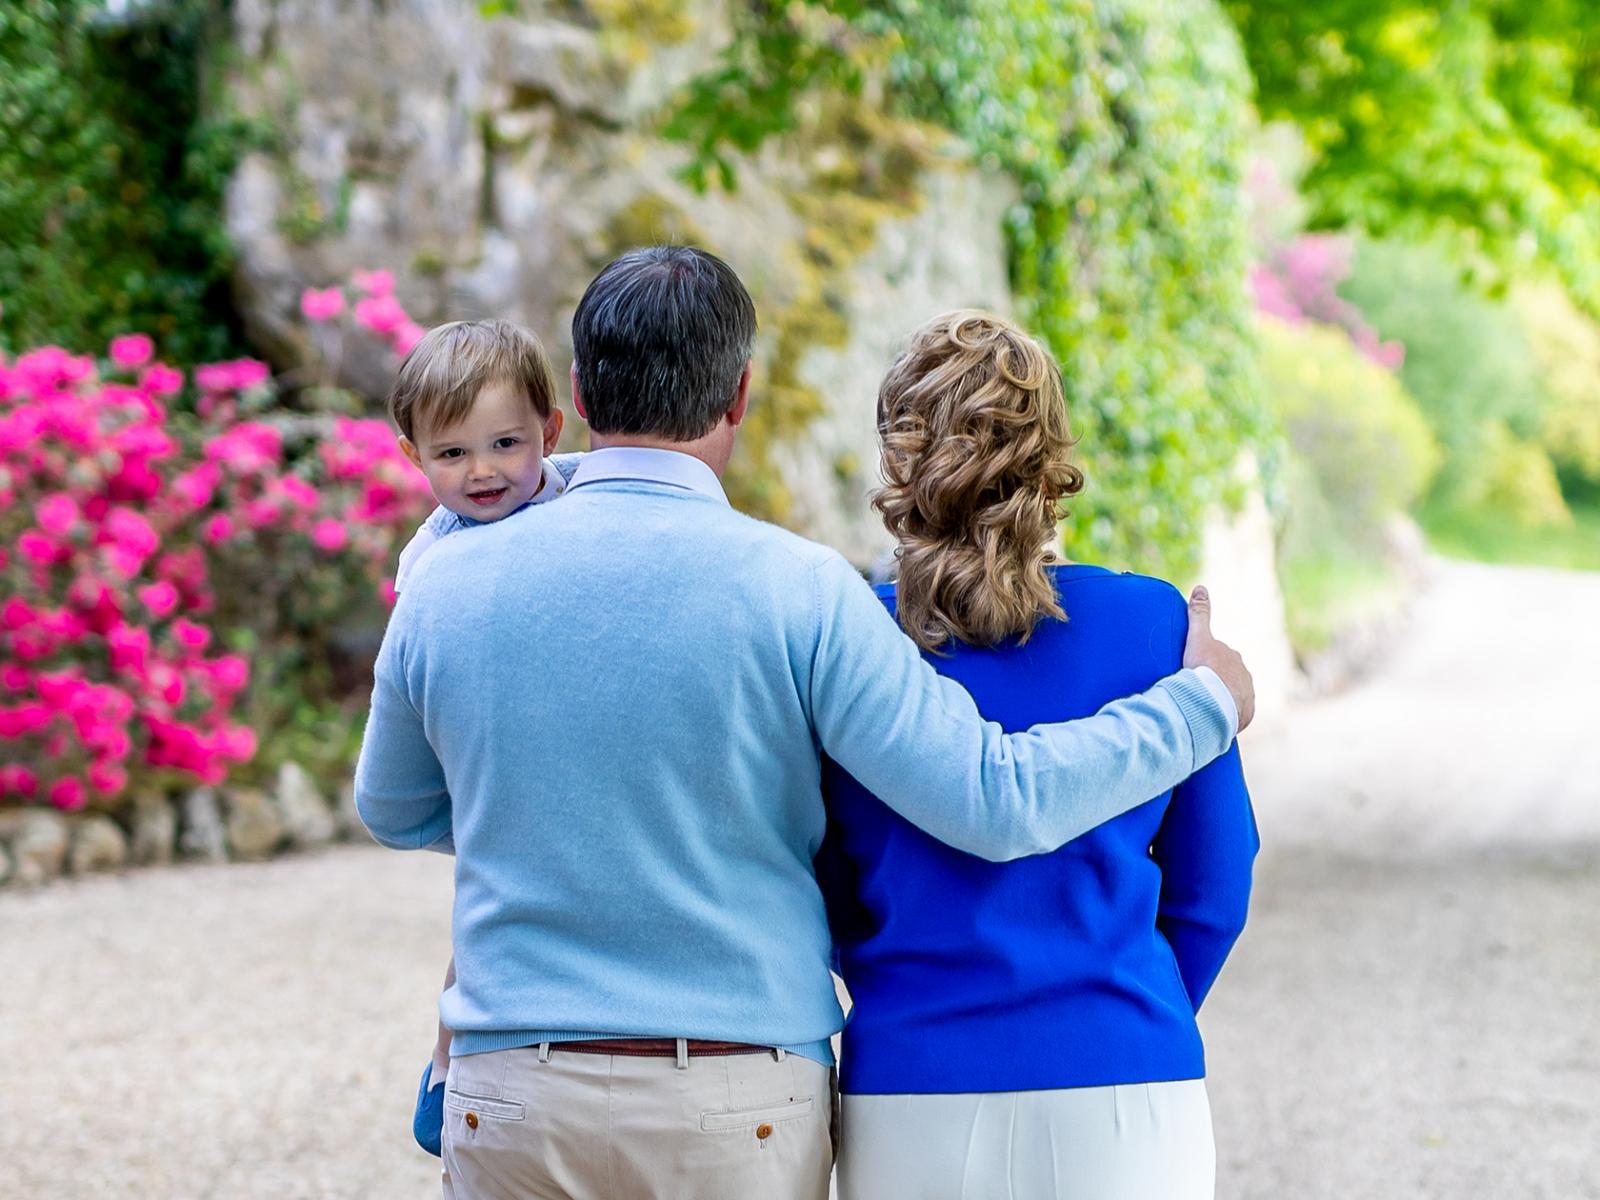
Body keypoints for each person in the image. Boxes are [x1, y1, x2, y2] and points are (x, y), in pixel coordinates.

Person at [354, 246, 1255, 1200]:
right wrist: (1204, 706)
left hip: (513, 1080)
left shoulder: (444, 583)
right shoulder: (804, 592)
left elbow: (396, 808)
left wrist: (556, 804)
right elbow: (999, 802)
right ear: (740, 393)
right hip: (735, 1086)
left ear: (574, 395)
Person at [820, 311, 1259, 1199]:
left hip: (914, 1078)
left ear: (901, 457)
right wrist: (1125, 1003)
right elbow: (1216, 880)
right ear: (1052, 455)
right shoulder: (1154, 622)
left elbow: (818, 876)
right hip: (1129, 1079)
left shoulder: (851, 638)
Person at [384, 318, 584, 1154]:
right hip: (502, 762)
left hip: (584, 734)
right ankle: (447, 1065)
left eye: (505, 442)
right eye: (453, 454)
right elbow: (416, 692)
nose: (484, 471)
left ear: (550, 429)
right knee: (485, 928)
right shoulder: (430, 565)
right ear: (413, 456)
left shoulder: (580, 501)